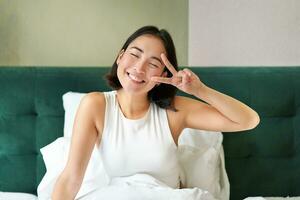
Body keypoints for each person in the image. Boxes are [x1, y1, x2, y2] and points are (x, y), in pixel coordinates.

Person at [52, 25, 260, 199]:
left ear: (163, 73)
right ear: (120, 57)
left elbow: (248, 120)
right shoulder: (95, 105)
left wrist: (199, 90)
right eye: (134, 55)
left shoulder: (174, 110)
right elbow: (71, 178)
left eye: (153, 64)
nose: (139, 68)